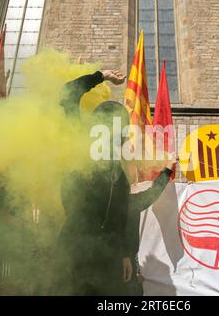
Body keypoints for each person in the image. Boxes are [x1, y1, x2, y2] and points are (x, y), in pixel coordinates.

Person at [52, 70, 176, 295]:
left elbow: (129, 209)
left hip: (107, 256)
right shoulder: (80, 143)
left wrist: (124, 253)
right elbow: (68, 93)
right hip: (74, 250)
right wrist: (102, 76)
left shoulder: (118, 174)